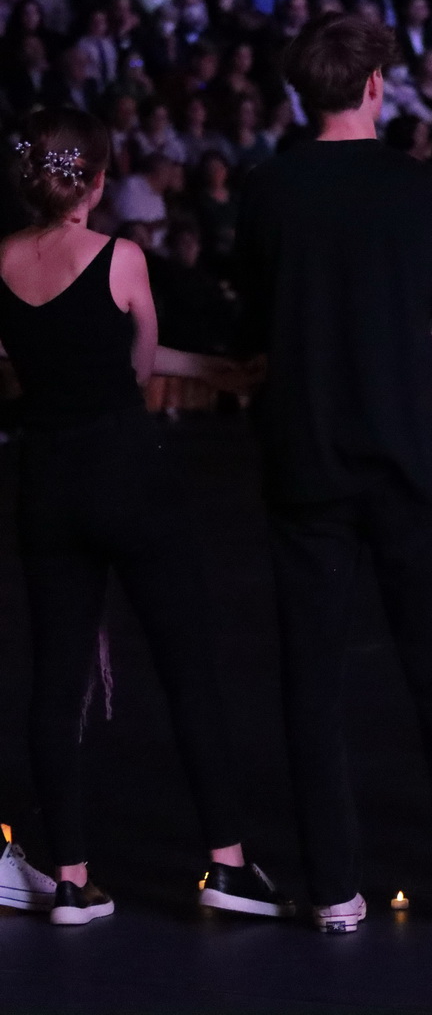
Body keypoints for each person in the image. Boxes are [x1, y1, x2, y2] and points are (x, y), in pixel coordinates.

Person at [233, 13, 432, 933]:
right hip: (407, 450)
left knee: (311, 679)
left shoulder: (267, 189)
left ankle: (334, 890)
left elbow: (255, 314)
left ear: (304, 90)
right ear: (375, 85)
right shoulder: (419, 188)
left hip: (304, 453)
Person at [0, 108, 288, 926]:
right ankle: (227, 865)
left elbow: (48, 354)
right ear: (96, 181)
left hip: (45, 480)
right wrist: (215, 372)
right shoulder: (121, 257)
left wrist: (215, 371)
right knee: (186, 665)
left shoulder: (2, 260)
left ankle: (69, 879)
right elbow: (133, 366)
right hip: (127, 475)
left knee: (56, 681)